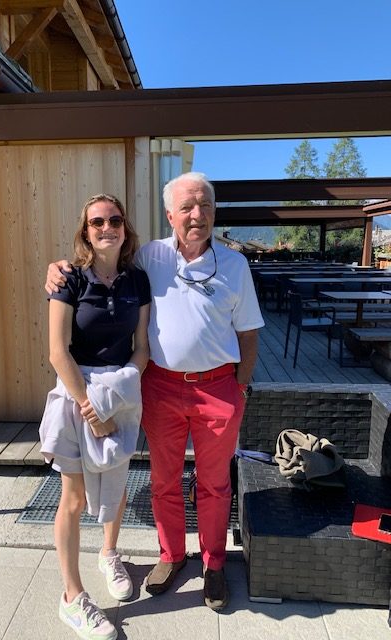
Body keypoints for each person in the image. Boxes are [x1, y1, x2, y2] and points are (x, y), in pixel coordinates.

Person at [46, 172, 264, 612]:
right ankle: (171, 555)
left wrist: (241, 386)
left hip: (219, 388)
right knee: (163, 481)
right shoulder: (150, 257)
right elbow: (100, 261)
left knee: (215, 483)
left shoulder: (235, 265)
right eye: (186, 207)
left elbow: (249, 334)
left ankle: (214, 563)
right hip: (161, 387)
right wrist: (57, 267)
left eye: (204, 205)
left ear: (214, 211)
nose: (196, 215)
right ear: (170, 215)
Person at [40, 193, 150, 640]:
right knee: (74, 498)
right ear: (85, 232)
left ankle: (109, 553)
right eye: (97, 222)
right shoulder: (68, 278)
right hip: (74, 392)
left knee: (117, 484)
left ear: (125, 228)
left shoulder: (137, 280)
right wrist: (91, 408)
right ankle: (72, 597)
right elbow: (57, 351)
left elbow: (142, 349)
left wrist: (117, 392)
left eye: (115, 220)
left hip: (120, 388)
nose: (107, 227)